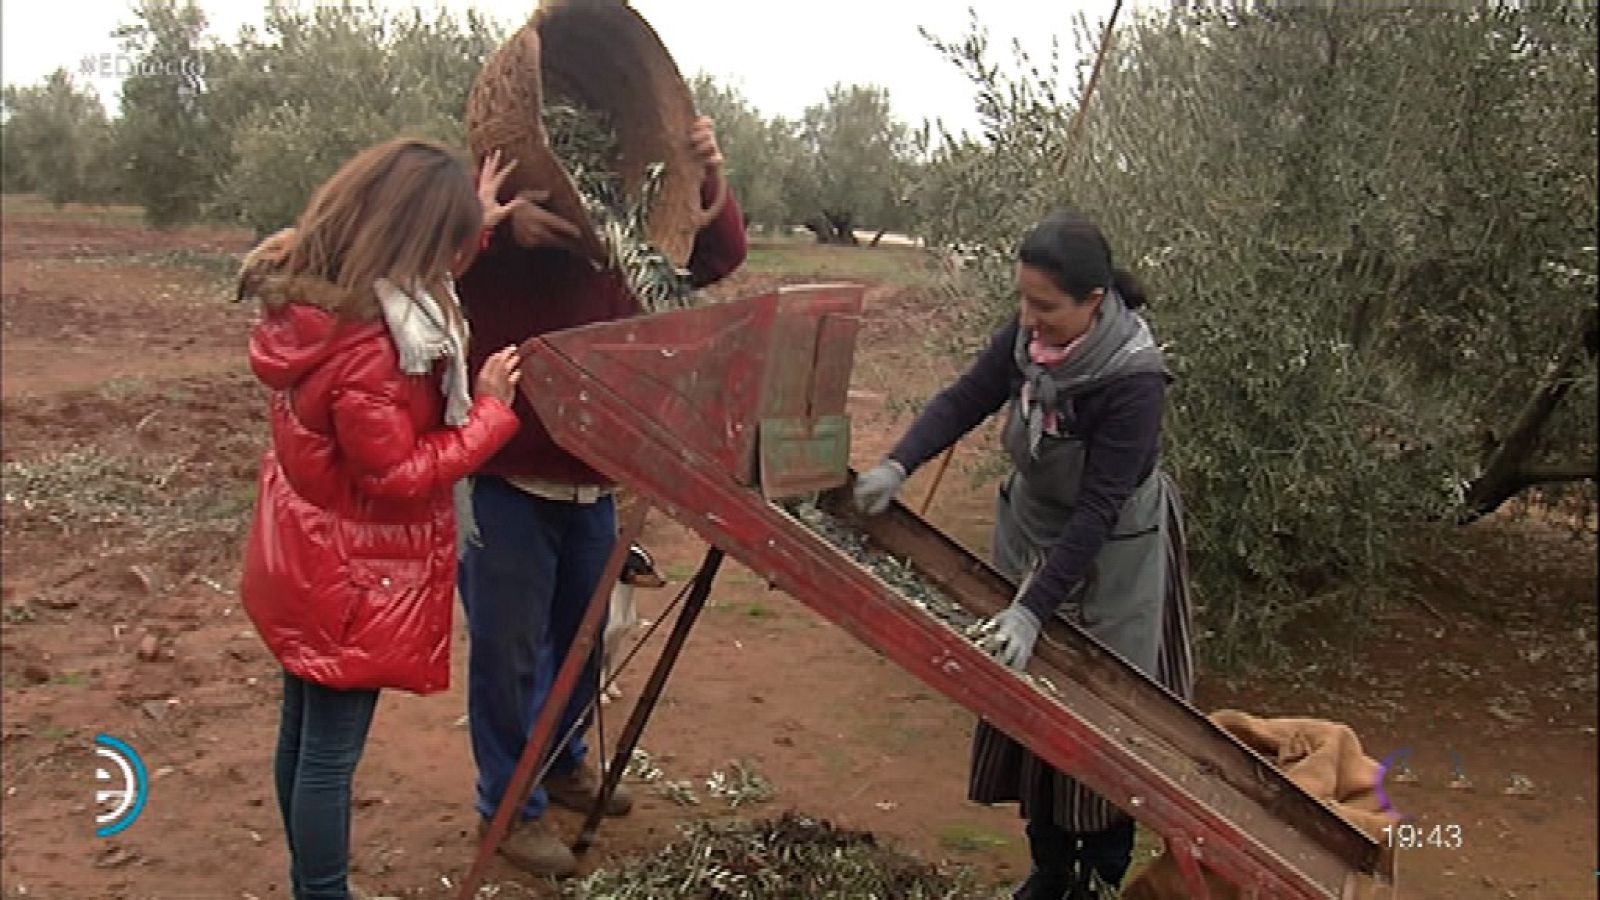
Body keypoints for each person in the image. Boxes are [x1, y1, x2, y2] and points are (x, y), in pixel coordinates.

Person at [854, 209, 1195, 900]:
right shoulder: (1030, 337)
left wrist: (1031, 610)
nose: (1027, 317)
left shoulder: (1134, 380)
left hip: (1114, 556)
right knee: (1026, 705)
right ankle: (1048, 866)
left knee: (1103, 715)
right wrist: (898, 464)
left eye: (1044, 306)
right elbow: (968, 397)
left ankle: (1098, 875)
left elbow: (1099, 509)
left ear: (1094, 302)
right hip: (1032, 531)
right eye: (1022, 300)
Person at [456, 115, 747, 877]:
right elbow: (418, 264)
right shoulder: (491, 219)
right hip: (506, 474)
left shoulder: (625, 230)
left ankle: (560, 764)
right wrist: (490, 228)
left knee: (588, 639)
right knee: (507, 653)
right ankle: (509, 810)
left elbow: (716, 253)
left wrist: (708, 175)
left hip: (593, 474)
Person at [238, 138, 527, 900]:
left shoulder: (325, 302)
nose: (456, 259)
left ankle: (313, 884)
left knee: (304, 731)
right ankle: (323, 892)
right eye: (451, 239)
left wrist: (479, 220)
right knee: (330, 754)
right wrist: (491, 414)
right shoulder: (373, 348)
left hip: (308, 551)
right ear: (416, 239)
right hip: (353, 574)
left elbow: (432, 287)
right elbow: (396, 474)